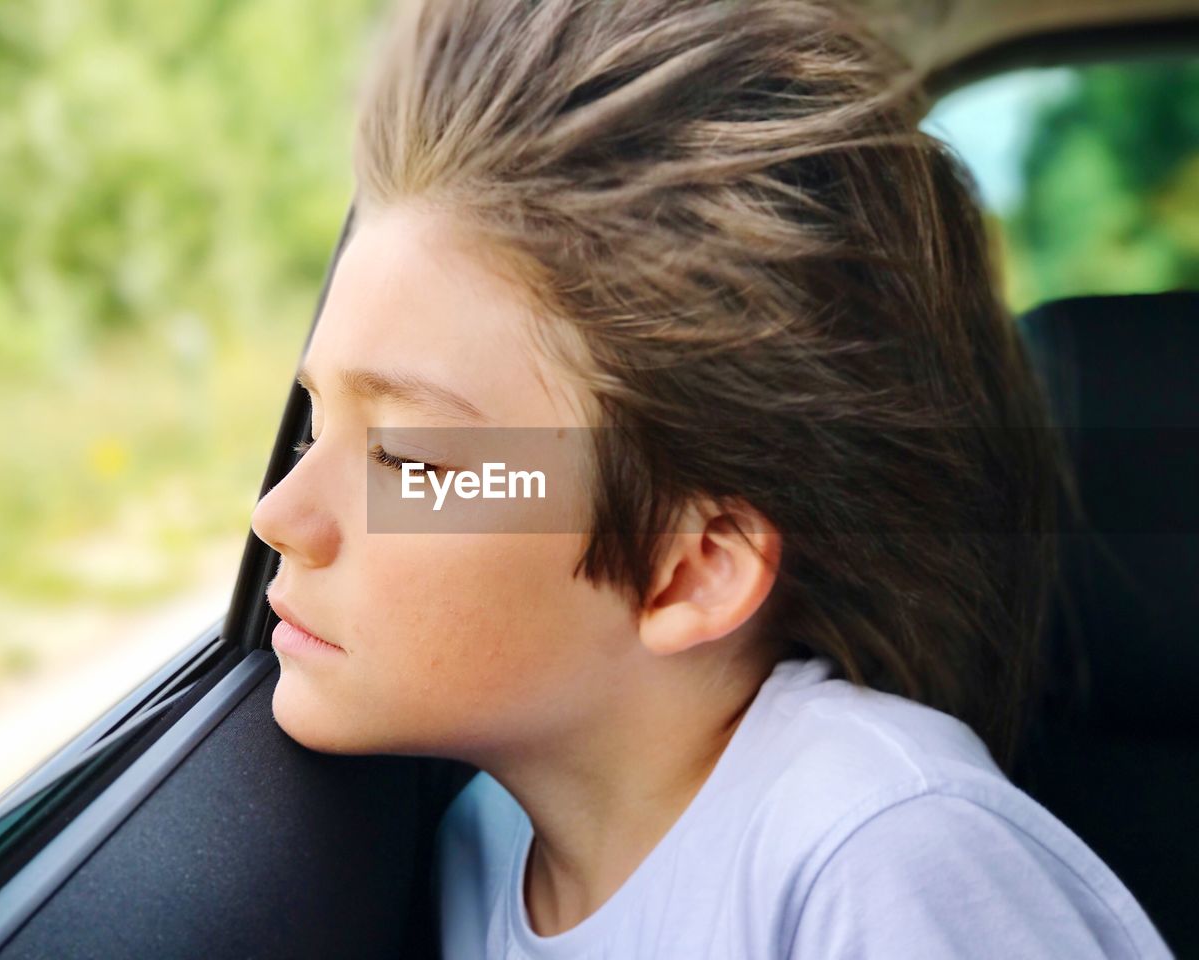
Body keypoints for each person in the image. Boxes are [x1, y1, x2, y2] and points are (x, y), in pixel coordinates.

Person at [249, 0, 1175, 956]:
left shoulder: (876, 858)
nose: (281, 514)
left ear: (690, 567)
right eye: (315, 421)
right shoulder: (480, 845)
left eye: (404, 456)